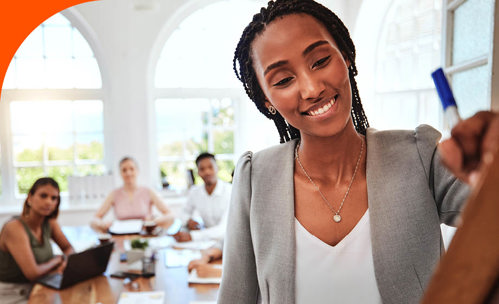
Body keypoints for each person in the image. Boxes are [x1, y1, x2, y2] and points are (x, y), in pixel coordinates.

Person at [218, 0, 499, 303]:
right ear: (266, 101)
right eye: (284, 80)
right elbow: (236, 297)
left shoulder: (420, 156)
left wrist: (491, 169)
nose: (312, 89)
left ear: (347, 57)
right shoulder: (255, 178)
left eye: (320, 61)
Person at [0, 177, 74, 303]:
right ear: (29, 198)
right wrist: (57, 260)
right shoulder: (14, 227)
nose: (48, 202)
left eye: (54, 198)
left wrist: (65, 261)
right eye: (43, 196)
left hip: (41, 285)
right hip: (14, 293)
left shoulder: (50, 223)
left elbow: (68, 248)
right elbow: (32, 273)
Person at [91, 157, 174, 232]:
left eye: (132, 169)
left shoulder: (148, 191)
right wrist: (104, 225)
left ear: (137, 171)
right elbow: (95, 220)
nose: (128, 173)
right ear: (120, 173)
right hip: (121, 237)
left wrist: (153, 222)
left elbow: (170, 215)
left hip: (144, 236)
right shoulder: (114, 194)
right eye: (124, 170)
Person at [172, 153, 232, 242]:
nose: (207, 172)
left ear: (217, 168)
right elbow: (183, 213)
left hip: (227, 241)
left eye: (210, 167)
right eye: (202, 169)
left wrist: (192, 236)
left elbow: (223, 230)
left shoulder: (230, 191)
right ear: (198, 172)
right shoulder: (195, 192)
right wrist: (189, 221)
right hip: (206, 240)